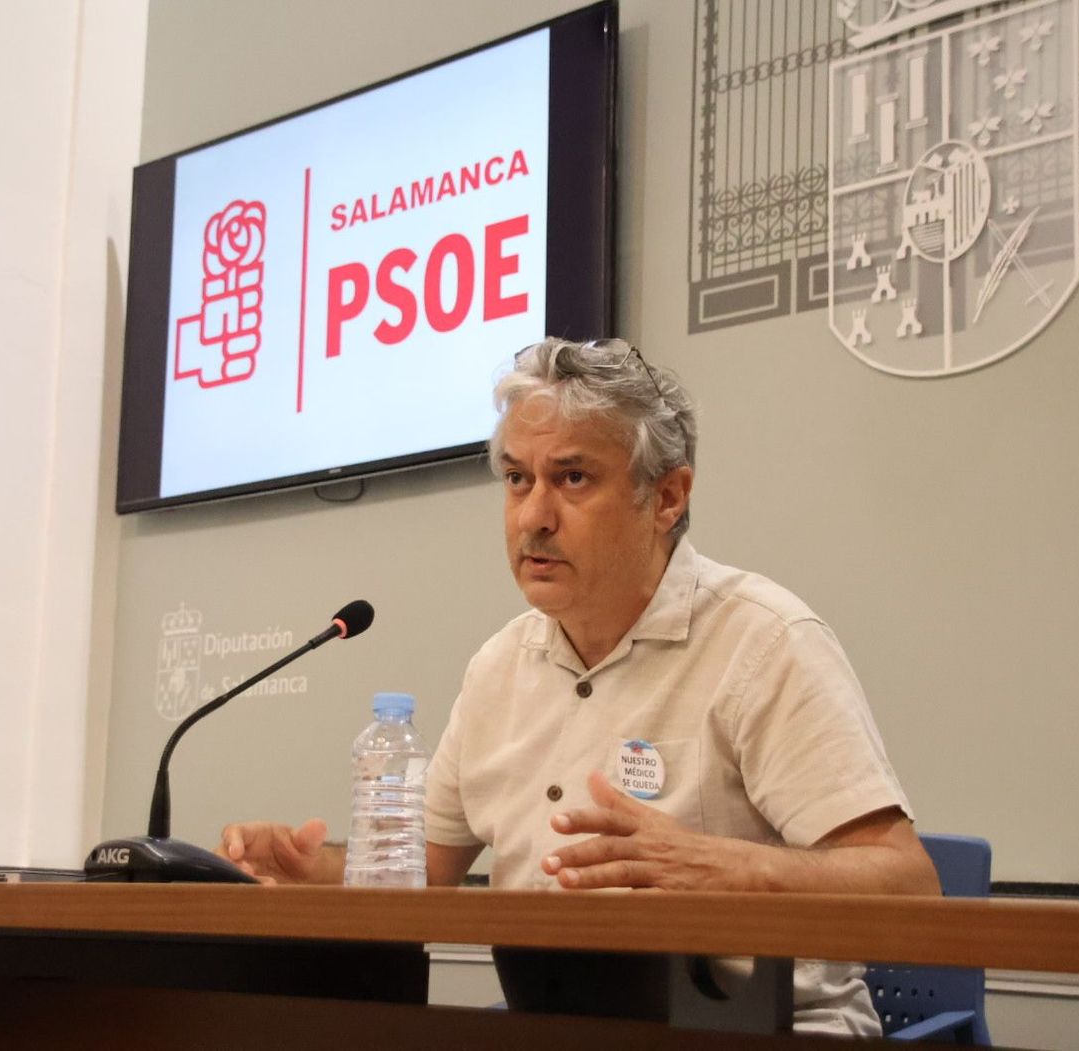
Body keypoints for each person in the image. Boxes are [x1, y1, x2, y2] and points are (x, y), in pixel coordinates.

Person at [219, 337, 939, 1035]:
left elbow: (909, 886)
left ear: (666, 496)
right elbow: (423, 877)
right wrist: (315, 870)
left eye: (572, 477)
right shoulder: (498, 668)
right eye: (517, 479)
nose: (533, 514)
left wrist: (721, 868)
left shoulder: (764, 641)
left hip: (763, 1028)